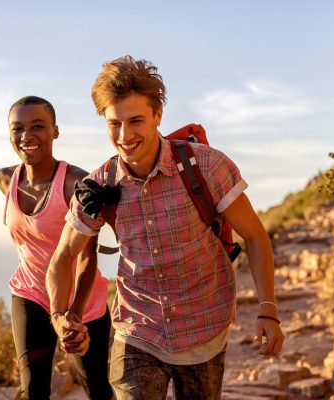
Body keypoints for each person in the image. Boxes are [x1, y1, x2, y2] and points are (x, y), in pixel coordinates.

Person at [46, 56, 285, 400]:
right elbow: (63, 257)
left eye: (136, 120)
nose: (125, 136)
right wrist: (60, 315)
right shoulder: (98, 185)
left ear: (158, 115)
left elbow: (255, 236)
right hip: (137, 332)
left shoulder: (206, 165)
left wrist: (269, 310)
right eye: (114, 123)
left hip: (204, 328)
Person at [0, 95, 114, 400]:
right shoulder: (6, 179)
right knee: (33, 388)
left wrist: (72, 315)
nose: (26, 136)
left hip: (82, 302)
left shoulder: (77, 183)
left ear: (55, 131)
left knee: (98, 390)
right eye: (17, 128)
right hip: (30, 295)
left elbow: (88, 258)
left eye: (37, 126)